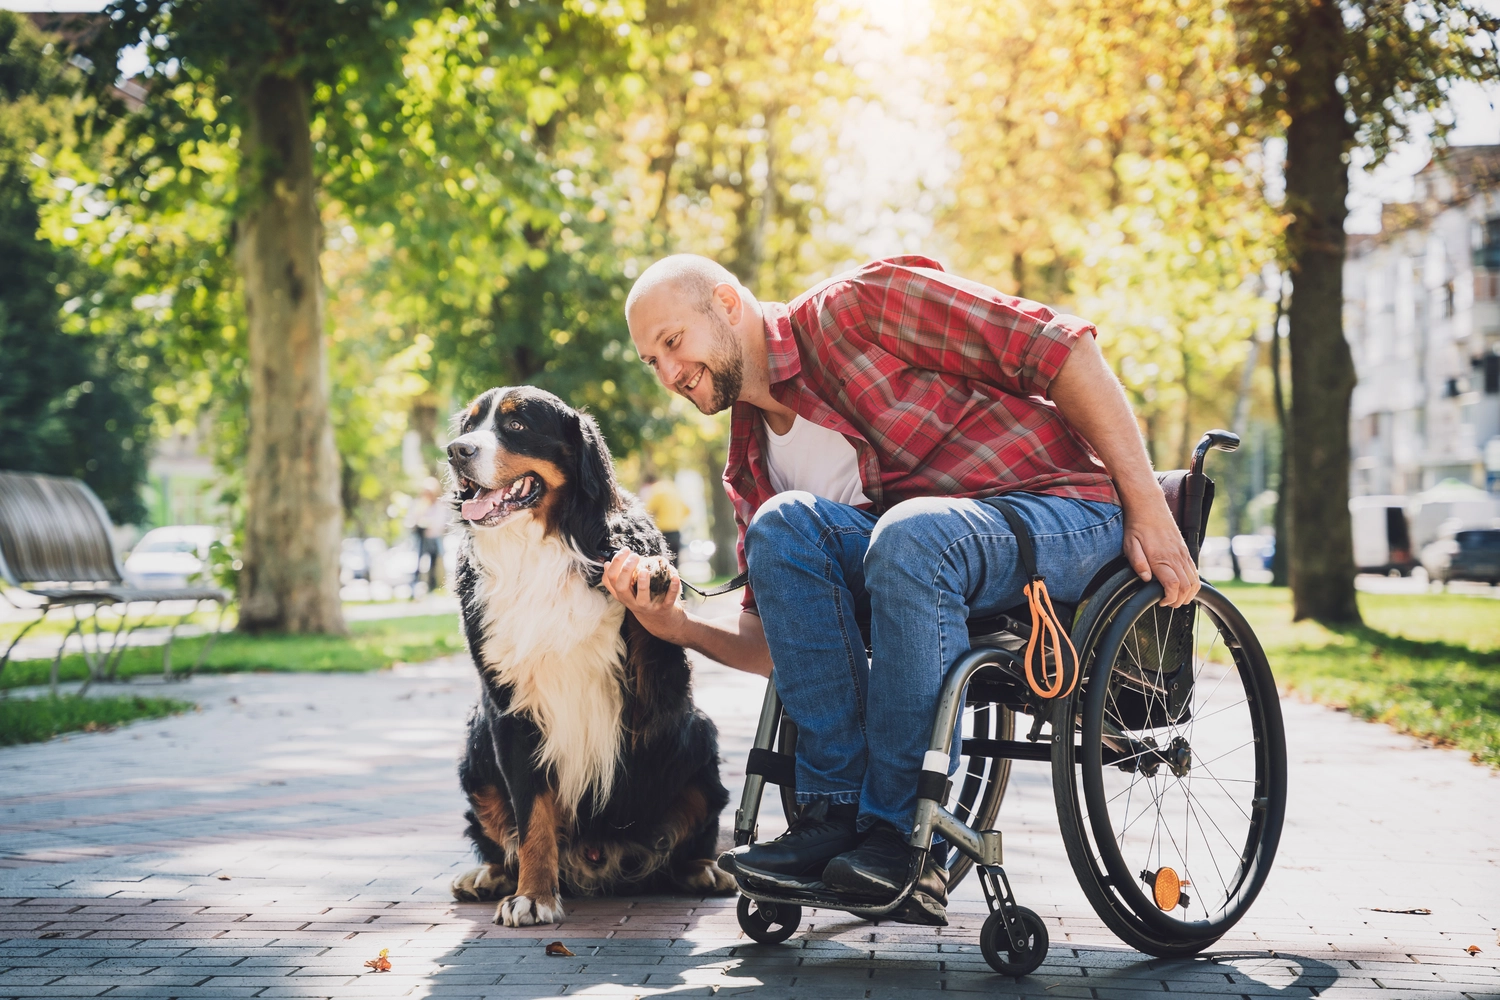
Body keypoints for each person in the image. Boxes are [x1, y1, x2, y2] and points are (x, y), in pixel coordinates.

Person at [601, 254, 1198, 926]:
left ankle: (905, 839)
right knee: (785, 526)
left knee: (912, 533)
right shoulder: (750, 463)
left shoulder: (862, 308)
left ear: (728, 303)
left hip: (1061, 509)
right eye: (651, 361)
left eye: (673, 343)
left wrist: (1148, 505)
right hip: (931, 551)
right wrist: (674, 623)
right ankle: (834, 816)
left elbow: (1062, 349)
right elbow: (780, 646)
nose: (669, 375)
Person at [407, 477, 447, 595]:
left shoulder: (439, 506)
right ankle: (416, 585)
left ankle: (433, 586)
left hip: (434, 538)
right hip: (421, 538)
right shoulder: (420, 504)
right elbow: (412, 519)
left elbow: (440, 523)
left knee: (434, 563)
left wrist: (429, 524)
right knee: (418, 562)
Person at [641, 472, 691, 563]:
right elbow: (687, 510)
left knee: (663, 563)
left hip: (662, 532)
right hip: (676, 531)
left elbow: (647, 512)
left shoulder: (656, 490)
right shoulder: (673, 489)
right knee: (675, 564)